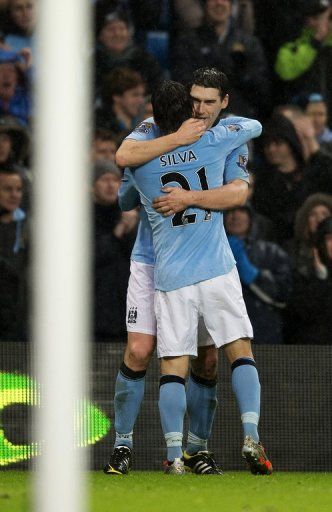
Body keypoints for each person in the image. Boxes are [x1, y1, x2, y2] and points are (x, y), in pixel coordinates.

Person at [105, 71, 272, 476]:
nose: (201, 109)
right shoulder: (167, 133)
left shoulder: (226, 140)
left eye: (209, 103)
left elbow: (238, 192)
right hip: (152, 261)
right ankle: (123, 445)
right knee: (142, 351)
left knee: (207, 359)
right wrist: (178, 141)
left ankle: (195, 449)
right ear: (187, 104)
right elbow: (126, 185)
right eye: (195, 101)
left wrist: (187, 196)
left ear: (223, 103)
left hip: (186, 262)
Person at [170, 0, 271, 119]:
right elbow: (183, 83)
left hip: (240, 118)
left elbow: (261, 91)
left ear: (231, 5)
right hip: (198, 117)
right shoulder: (187, 41)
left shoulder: (249, 43)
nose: (219, 3)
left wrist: (243, 74)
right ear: (205, 4)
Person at [225, 204, 292, 344]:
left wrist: (253, 275)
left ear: (251, 218)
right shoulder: (209, 253)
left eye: (241, 211)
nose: (235, 216)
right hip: (224, 331)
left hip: (263, 334)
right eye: (230, 211)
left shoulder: (271, 252)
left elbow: (284, 294)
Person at [92, 160, 138, 341]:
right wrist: (119, 231)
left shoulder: (130, 216)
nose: (111, 185)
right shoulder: (82, 217)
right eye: (104, 180)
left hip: (126, 310)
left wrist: (131, 230)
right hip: (95, 312)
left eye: (115, 180)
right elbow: (92, 256)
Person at [274, 0, 332, 119]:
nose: (324, 22)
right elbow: (285, 71)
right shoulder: (292, 45)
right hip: (303, 116)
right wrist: (317, 40)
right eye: (317, 17)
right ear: (307, 20)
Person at [285, 215, 332, 345]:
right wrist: (321, 279)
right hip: (313, 355)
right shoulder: (303, 276)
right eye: (329, 239)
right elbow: (303, 316)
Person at [94, 10, 164, 94]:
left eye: (122, 28)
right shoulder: (93, 63)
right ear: (100, 36)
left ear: (129, 33)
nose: (117, 34)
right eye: (111, 29)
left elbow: (159, 90)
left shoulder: (144, 60)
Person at [0, 165, 28, 340]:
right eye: (7, 189)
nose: (14, 194)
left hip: (18, 324)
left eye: (18, 190)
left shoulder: (29, 229)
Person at [94, 67, 146, 137]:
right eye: (135, 95)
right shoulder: (99, 126)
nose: (141, 100)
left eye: (142, 95)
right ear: (117, 96)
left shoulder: (145, 124)